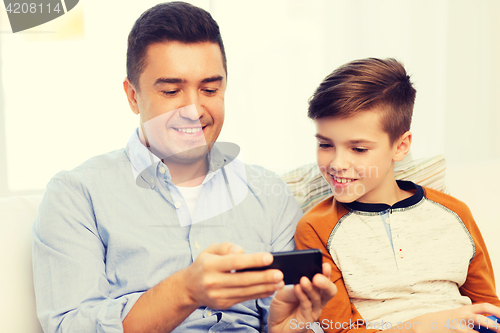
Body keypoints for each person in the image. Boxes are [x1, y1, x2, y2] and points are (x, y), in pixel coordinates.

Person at [32, 2, 336, 332]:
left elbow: (294, 320)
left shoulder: (270, 195)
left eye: (209, 89)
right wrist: (186, 290)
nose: (193, 109)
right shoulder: (77, 195)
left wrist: (290, 326)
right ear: (132, 95)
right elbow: (71, 326)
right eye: (172, 90)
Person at [295, 58, 500, 332]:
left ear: (400, 146)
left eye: (358, 149)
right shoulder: (315, 228)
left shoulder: (454, 213)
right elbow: (340, 328)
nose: (337, 163)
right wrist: (418, 327)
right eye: (325, 144)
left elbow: (488, 309)